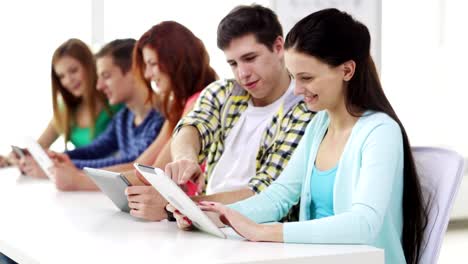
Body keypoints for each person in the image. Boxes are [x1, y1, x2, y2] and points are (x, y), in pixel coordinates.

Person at [171, 8, 428, 264]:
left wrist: (264, 231)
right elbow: (278, 196)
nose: (296, 89)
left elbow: (364, 224)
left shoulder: (381, 131)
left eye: (306, 77)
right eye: (294, 77)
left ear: (347, 71)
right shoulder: (319, 125)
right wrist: (210, 215)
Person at [129, 5, 313, 221]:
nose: (242, 73)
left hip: (256, 233)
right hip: (203, 221)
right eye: (233, 63)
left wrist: (176, 205)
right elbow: (193, 126)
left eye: (250, 58)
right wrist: (185, 157)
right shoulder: (224, 92)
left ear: (279, 47)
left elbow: (264, 195)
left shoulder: (304, 108)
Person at [47, 39, 165, 190]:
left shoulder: (160, 119)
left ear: (134, 71)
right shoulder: (123, 117)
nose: (99, 86)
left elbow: (132, 163)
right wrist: (60, 158)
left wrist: (70, 167)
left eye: (106, 76)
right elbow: (95, 149)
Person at [0, 39, 119, 172]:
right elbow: (39, 147)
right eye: (61, 76)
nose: (68, 80)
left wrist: (58, 163)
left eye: (73, 71)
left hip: (102, 177)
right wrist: (11, 158)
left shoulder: (115, 102)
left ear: (90, 66)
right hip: (80, 180)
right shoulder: (66, 110)